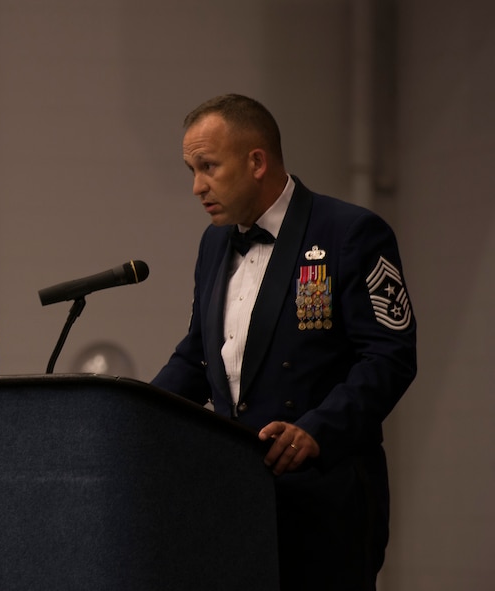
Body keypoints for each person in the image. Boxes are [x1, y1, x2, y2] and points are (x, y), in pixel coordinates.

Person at [152, 94, 417, 590]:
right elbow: (198, 355)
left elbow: (389, 355)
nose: (196, 186)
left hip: (325, 498)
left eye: (208, 166)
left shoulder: (350, 232)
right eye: (192, 169)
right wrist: (134, 418)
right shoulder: (215, 242)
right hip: (237, 498)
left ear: (256, 161)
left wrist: (317, 429)